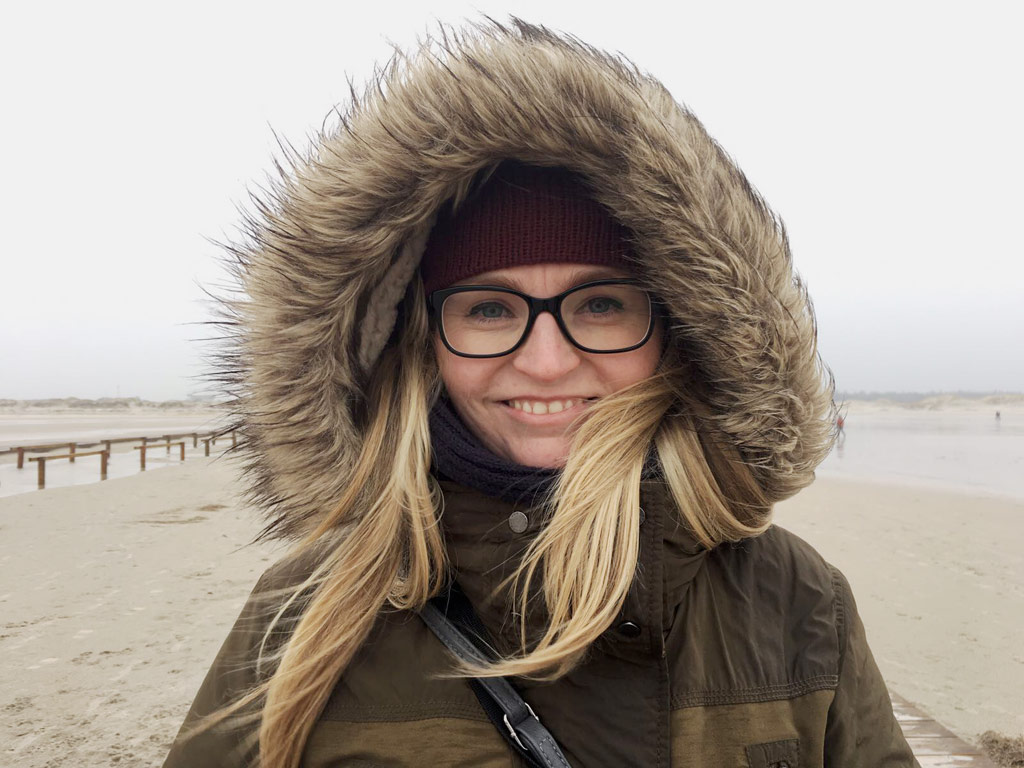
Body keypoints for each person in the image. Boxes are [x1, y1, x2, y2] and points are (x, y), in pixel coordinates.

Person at [163, 20, 918, 768]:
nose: (549, 362)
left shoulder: (796, 599)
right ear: (424, 343)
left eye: (599, 304)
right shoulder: (301, 617)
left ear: (673, 332)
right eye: (489, 309)